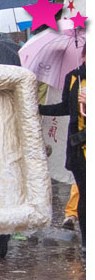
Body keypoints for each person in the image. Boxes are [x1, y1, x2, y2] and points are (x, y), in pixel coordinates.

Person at [39, 58, 85, 251]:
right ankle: (86, 241)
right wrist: (39, 108)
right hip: (80, 147)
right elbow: (66, 107)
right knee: (85, 193)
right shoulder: (74, 77)